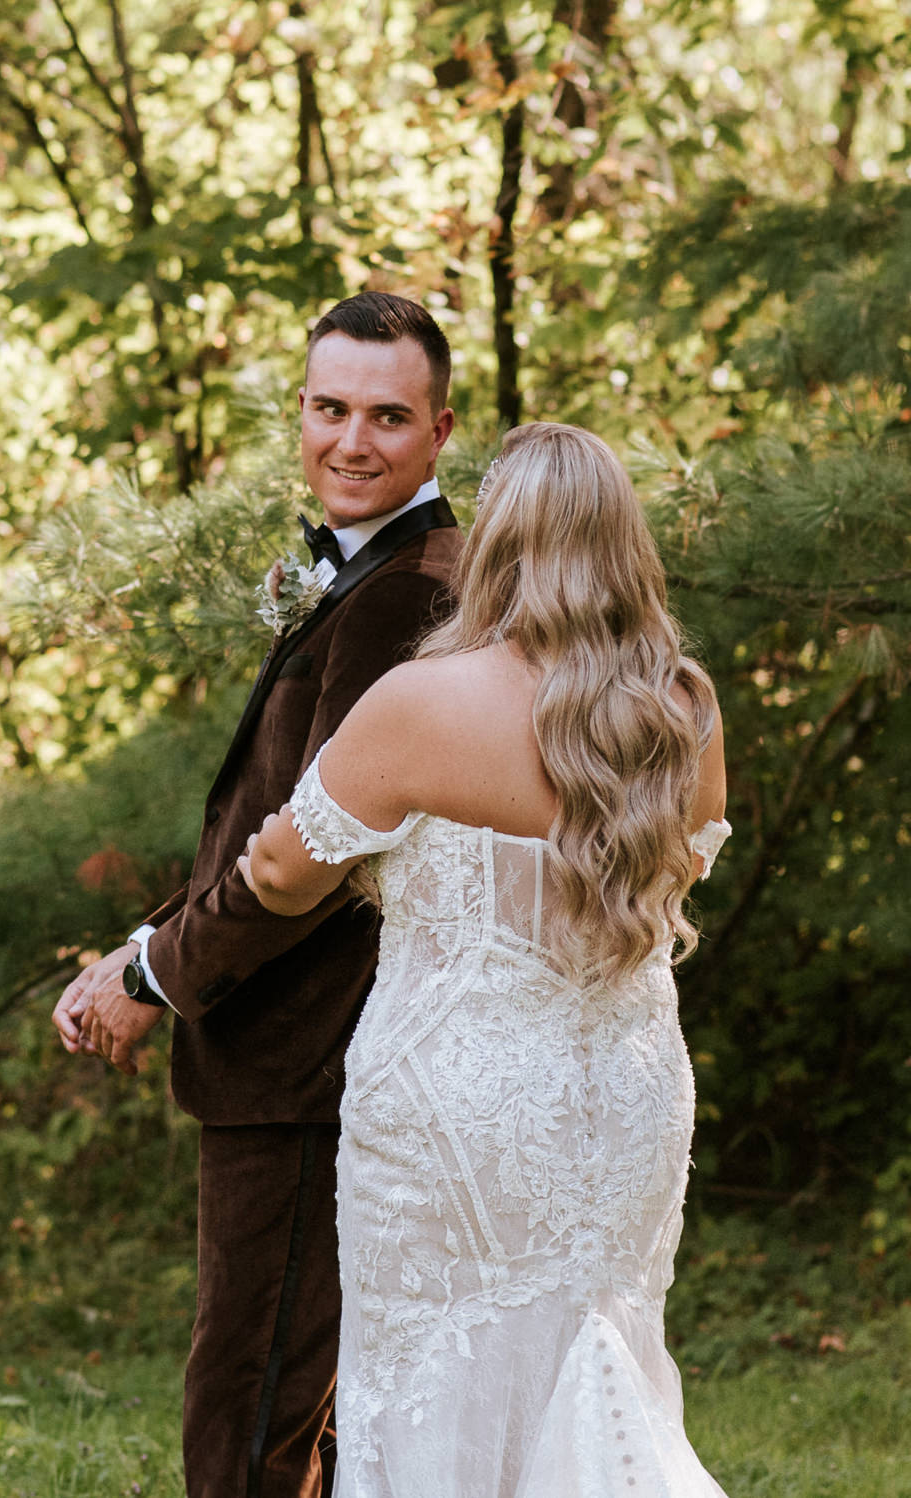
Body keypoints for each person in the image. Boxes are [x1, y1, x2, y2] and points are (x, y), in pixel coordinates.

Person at [239, 422, 732, 1498]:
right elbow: (672, 881)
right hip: (625, 1098)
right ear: (623, 544)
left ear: (495, 542)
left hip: (455, 1103)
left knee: (437, 1383)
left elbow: (282, 873)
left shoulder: (422, 700)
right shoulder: (683, 709)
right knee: (604, 1365)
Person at [51, 291, 462, 1498]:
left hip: (309, 1055)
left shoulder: (404, 590)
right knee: (285, 1402)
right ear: (299, 409)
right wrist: (143, 937)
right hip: (290, 1052)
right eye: (329, 408)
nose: (352, 440)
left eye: (387, 415)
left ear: (441, 429)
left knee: (252, 1408)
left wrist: (151, 979)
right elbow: (271, 808)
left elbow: (317, 864)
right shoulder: (361, 568)